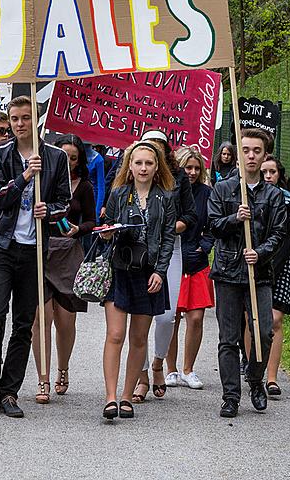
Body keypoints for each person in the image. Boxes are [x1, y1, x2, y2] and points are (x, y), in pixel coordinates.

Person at [0, 95, 71, 418]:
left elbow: (64, 203)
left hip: (34, 251)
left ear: (35, 118)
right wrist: (25, 177)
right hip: (2, 246)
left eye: (25, 118)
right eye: (14, 119)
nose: (19, 124)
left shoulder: (55, 158)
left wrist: (51, 211)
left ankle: (9, 391)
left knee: (24, 322)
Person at [208, 128, 287, 418]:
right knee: (228, 338)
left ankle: (255, 379)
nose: (251, 156)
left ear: (265, 155)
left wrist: (261, 252)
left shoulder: (274, 195)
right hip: (228, 271)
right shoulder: (223, 189)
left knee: (263, 333)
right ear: (239, 154)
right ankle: (230, 396)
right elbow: (213, 225)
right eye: (246, 150)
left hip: (259, 274)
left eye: (256, 151)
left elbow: (279, 233)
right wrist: (234, 218)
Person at [98, 141, 176, 420]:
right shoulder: (119, 194)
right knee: (115, 334)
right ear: (129, 166)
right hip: (120, 269)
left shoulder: (166, 197)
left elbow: (168, 238)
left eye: (149, 163)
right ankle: (110, 397)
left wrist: (161, 271)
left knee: (139, 337)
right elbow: (109, 228)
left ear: (157, 168)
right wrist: (107, 233)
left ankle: (127, 396)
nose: (143, 168)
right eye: (139, 163)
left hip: (149, 272)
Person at [31, 134, 97, 404]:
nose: (68, 162)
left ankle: (63, 368)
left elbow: (92, 220)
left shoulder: (84, 186)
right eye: (63, 157)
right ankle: (43, 378)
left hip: (69, 255)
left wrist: (78, 229)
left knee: (65, 321)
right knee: (41, 319)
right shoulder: (41, 182)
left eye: (73, 158)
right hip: (41, 251)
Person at [135, 129, 197, 400]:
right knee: (139, 317)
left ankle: (159, 361)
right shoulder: (131, 176)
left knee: (166, 316)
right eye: (150, 149)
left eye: (160, 149)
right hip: (138, 253)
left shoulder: (178, 178)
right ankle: (142, 374)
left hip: (170, 250)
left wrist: (170, 229)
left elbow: (190, 215)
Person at [157, 147, 215, 394]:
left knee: (196, 318)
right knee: (172, 317)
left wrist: (204, 246)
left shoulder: (207, 194)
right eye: (187, 167)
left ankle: (188, 369)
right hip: (173, 259)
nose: (191, 172)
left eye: (196, 168)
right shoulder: (170, 191)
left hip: (197, 262)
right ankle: (170, 369)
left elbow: (213, 223)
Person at [260, 154, 290, 398]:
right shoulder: (250, 200)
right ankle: (254, 366)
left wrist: (273, 260)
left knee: (274, 320)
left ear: (279, 175)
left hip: (281, 264)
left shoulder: (288, 203)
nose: (267, 176)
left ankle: (272, 377)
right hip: (256, 262)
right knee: (252, 318)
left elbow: (287, 239)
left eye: (272, 172)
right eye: (264, 172)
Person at [86, 143, 106, 215]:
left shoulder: (98, 159)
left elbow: (101, 186)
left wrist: (97, 211)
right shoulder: (75, 156)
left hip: (92, 199)